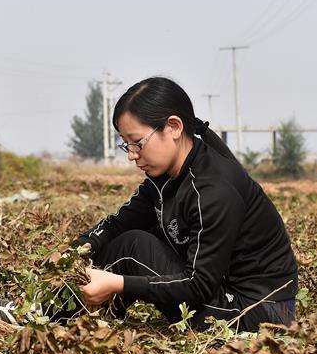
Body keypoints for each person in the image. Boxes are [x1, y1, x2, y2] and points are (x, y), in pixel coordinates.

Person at [76, 77, 299, 332]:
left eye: (137, 142)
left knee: (134, 246)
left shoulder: (213, 189)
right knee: (128, 237)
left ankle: (55, 316)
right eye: (126, 144)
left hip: (258, 312)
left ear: (173, 127)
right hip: (223, 293)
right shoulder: (166, 177)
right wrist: (75, 252)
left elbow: (198, 284)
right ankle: (58, 311)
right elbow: (119, 224)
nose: (131, 154)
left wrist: (119, 284)